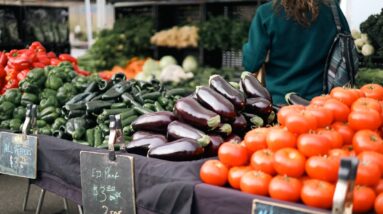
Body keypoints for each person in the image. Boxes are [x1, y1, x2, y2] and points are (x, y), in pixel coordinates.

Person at [243, 0, 350, 105]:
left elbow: (251, 64)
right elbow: (348, 51)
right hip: (323, 102)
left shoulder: (266, 12)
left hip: (280, 102)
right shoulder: (332, 10)